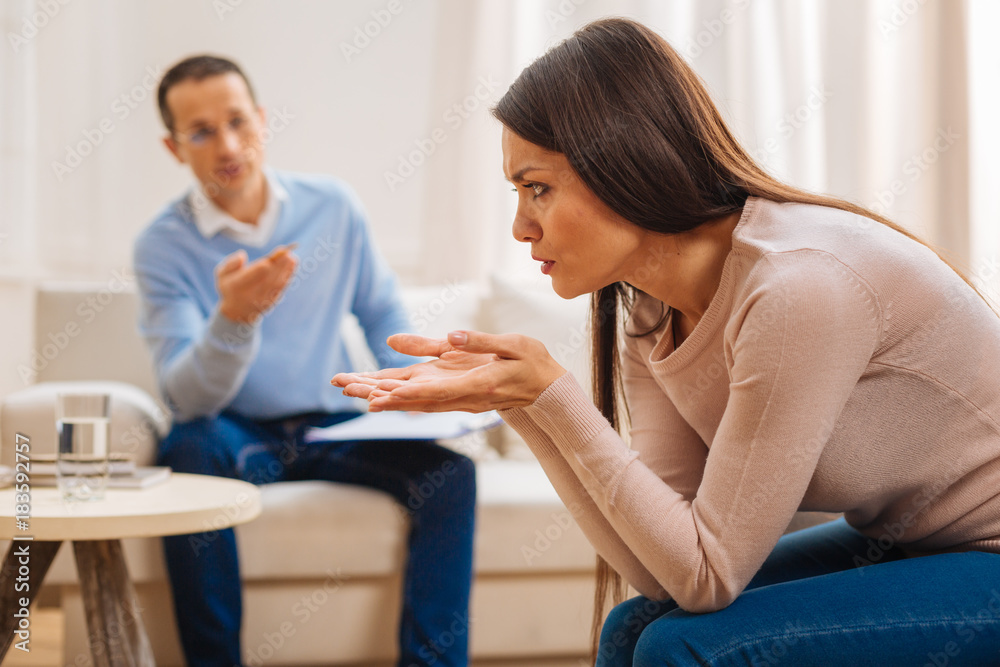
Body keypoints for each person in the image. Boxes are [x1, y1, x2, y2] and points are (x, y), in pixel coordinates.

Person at [332, 17, 1000, 666]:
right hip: (914, 544)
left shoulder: (796, 289)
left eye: (537, 189)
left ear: (625, 161)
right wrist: (523, 402)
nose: (520, 228)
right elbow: (662, 571)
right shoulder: (653, 311)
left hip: (986, 555)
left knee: (677, 645)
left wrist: (555, 396)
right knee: (636, 624)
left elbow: (709, 574)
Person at [133, 55, 475, 667]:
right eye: (202, 131)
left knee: (450, 475)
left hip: (327, 424)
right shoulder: (163, 245)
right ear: (172, 147)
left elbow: (380, 314)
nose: (228, 145)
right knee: (186, 444)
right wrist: (233, 320)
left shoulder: (333, 208)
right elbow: (187, 396)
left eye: (238, 121)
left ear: (262, 121)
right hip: (237, 438)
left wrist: (416, 387)